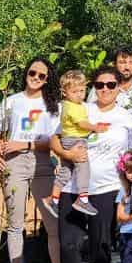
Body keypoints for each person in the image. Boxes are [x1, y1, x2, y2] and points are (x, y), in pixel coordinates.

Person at [49, 66, 132, 263]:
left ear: (118, 88)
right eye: (100, 85)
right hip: (73, 187)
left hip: (106, 188)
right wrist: (66, 154)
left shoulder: (126, 117)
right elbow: (54, 138)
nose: (104, 89)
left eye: (110, 85)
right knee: (69, 242)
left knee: (100, 244)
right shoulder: (80, 107)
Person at [0, 57, 62, 263]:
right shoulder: (10, 102)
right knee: (15, 221)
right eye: (32, 72)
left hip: (42, 162)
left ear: (48, 79)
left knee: (52, 222)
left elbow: (54, 140)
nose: (35, 77)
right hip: (14, 164)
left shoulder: (54, 105)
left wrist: (24, 143)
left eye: (42, 75)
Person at [50, 70, 97, 216]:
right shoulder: (72, 107)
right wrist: (95, 128)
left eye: (82, 90)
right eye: (75, 91)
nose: (79, 94)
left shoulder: (71, 105)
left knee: (66, 171)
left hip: (68, 139)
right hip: (76, 140)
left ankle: (54, 199)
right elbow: (82, 124)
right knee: (83, 166)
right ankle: (82, 199)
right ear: (64, 92)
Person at [88, 46, 132, 113]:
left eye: (131, 63)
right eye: (122, 62)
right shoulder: (100, 87)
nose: (127, 67)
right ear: (114, 64)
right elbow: (89, 115)